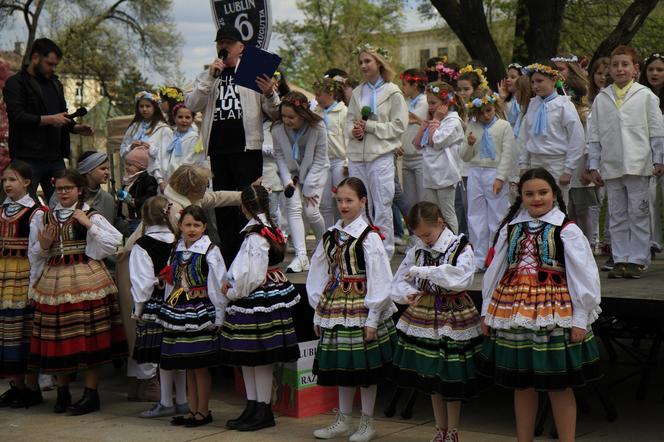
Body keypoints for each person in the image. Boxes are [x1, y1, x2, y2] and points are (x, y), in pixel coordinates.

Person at [479, 168, 602, 442]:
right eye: (529, 193)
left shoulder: (566, 230)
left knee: (559, 384)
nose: (537, 198)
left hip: (555, 313)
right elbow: (496, 270)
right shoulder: (511, 228)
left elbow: (584, 275)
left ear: (554, 194)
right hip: (515, 311)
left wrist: (581, 317)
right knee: (522, 385)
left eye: (543, 192)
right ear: (520, 196)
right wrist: (487, 311)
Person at [28, 169, 126, 415]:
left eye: (68, 188)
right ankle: (62, 392)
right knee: (59, 337)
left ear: (79, 190)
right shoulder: (45, 217)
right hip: (53, 280)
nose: (63, 193)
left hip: (86, 278)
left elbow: (114, 242)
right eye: (59, 188)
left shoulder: (89, 214)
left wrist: (88, 225)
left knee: (88, 336)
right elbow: (35, 254)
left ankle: (91, 393)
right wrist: (44, 246)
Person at [307, 177, 397, 442]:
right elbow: (318, 272)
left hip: (361, 307)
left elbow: (381, 278)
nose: (344, 205)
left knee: (365, 369)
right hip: (336, 306)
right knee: (344, 366)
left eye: (349, 200)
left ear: (362, 202)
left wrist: (373, 317)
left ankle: (367, 422)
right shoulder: (331, 235)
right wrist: (317, 310)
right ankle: (344, 420)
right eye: (340, 200)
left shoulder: (369, 238)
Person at [185, 25, 280, 265]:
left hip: (247, 150)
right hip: (218, 150)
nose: (223, 47)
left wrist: (270, 94)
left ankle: (256, 254)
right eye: (220, 43)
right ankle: (229, 256)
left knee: (250, 202)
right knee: (223, 206)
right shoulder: (208, 75)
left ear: (241, 47)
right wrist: (209, 77)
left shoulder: (253, 71)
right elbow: (193, 104)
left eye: (228, 43)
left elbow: (275, 112)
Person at [391, 201, 482, 442]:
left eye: (427, 234)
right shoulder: (418, 248)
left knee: (449, 373)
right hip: (424, 314)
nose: (425, 240)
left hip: (452, 314)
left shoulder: (460, 246)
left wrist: (424, 272)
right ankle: (439, 429)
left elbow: (459, 278)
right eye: (420, 235)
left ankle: (453, 430)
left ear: (440, 222)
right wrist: (405, 293)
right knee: (431, 374)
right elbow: (401, 277)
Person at [219, 185, 300, 432]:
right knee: (251, 357)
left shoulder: (255, 234)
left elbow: (252, 275)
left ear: (243, 206)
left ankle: (262, 408)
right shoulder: (269, 227)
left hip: (256, 298)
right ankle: (254, 406)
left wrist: (231, 291)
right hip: (263, 297)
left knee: (257, 358)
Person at [588, 45, 664, 279]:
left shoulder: (645, 96)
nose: (620, 69)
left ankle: (638, 259)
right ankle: (621, 257)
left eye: (625, 64)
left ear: (635, 69)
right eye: (615, 65)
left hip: (639, 164)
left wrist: (659, 158)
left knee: (638, 213)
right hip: (612, 166)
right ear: (609, 69)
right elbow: (594, 135)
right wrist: (593, 164)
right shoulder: (602, 98)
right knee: (617, 214)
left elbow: (656, 131)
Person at [157, 205, 226, 428]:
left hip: (201, 310)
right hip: (180, 309)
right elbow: (172, 281)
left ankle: (203, 411)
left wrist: (219, 316)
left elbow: (217, 284)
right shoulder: (176, 249)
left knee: (200, 364)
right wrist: (168, 305)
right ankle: (192, 409)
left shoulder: (210, 250)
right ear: (180, 226)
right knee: (188, 363)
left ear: (205, 227)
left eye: (197, 225)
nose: (192, 229)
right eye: (188, 225)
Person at [3, 38, 93, 201]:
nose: (52, 68)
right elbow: (17, 116)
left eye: (55, 65)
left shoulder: (55, 84)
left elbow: (62, 116)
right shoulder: (15, 83)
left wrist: (75, 128)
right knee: (22, 207)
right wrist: (50, 119)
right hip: (26, 158)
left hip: (55, 158)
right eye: (49, 64)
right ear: (35, 57)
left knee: (64, 207)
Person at [346, 43, 408, 258]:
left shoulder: (393, 92)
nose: (363, 65)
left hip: (381, 155)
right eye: (360, 62)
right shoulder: (357, 92)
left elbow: (399, 125)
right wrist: (354, 131)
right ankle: (361, 249)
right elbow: (349, 121)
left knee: (381, 204)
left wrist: (371, 127)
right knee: (358, 205)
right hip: (357, 156)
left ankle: (385, 251)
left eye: (367, 61)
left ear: (379, 63)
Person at [129, 196, 188, 419]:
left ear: (144, 217)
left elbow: (142, 283)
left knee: (162, 355)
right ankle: (181, 399)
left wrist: (138, 309)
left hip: (155, 304)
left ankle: (165, 401)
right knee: (177, 352)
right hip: (181, 301)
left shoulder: (142, 245)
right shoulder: (180, 241)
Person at [0, 161, 44, 409]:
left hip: (23, 275)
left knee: (25, 329)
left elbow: (38, 252)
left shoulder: (36, 213)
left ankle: (32, 387)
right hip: (3, 277)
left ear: (27, 182)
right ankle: (16, 386)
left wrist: (34, 283)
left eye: (13, 179)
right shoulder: (1, 210)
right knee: (7, 331)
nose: (7, 184)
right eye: (5, 180)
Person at [272, 92, 329, 272]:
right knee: (293, 209)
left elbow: (320, 159)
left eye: (291, 117)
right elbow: (280, 157)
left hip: (315, 174)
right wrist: (288, 181)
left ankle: (325, 247)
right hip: (292, 175)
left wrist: (309, 188)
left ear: (303, 114)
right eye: (283, 116)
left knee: (311, 212)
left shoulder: (318, 128)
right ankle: (301, 256)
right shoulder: (277, 130)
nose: (287, 121)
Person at [461, 91, 516, 271]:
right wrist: (469, 144)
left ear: (495, 108)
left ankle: (497, 256)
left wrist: (501, 177)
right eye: (481, 112)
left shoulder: (504, 126)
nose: (485, 116)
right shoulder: (473, 126)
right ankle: (479, 257)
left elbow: (508, 154)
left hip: (494, 172)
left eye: (489, 111)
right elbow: (464, 156)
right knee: (475, 216)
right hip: (476, 172)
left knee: (497, 215)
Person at [518, 62, 585, 205]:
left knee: (558, 203)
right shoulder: (533, 104)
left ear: (554, 80)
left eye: (540, 81)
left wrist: (568, 169)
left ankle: (559, 228)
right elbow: (525, 137)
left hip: (557, 162)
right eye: (533, 82)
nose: (535, 86)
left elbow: (577, 137)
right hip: (535, 161)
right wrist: (524, 165)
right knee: (536, 202)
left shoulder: (564, 105)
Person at [412, 81, 466, 234]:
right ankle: (437, 242)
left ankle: (454, 245)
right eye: (429, 102)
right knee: (432, 214)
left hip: (445, 175)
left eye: (434, 103)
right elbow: (417, 144)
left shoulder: (453, 122)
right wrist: (424, 126)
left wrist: (435, 119)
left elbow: (436, 141)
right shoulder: (433, 121)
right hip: (430, 173)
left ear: (446, 103)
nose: (430, 106)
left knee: (447, 214)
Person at [313, 76, 348, 228]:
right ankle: (328, 234)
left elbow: (348, 139)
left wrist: (348, 162)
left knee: (342, 199)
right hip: (322, 162)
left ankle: (344, 232)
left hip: (339, 161)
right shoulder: (316, 112)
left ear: (331, 93)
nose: (316, 98)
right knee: (325, 202)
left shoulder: (344, 112)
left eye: (319, 94)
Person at [119, 91, 172, 191]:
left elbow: (166, 157)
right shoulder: (133, 127)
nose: (144, 109)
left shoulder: (163, 129)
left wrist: (150, 149)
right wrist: (131, 147)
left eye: (148, 106)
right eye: (141, 106)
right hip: (133, 177)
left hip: (153, 179)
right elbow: (122, 151)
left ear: (155, 108)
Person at [639, 53, 664, 258]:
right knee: (649, 198)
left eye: (660, 70)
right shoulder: (639, 95)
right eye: (651, 69)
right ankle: (652, 241)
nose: (654, 73)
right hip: (647, 153)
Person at [399, 69, 429, 214]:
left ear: (415, 85)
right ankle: (414, 234)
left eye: (405, 84)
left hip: (421, 157)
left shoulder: (426, 101)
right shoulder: (405, 102)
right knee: (410, 200)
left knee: (423, 199)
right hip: (406, 157)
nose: (402, 88)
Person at [116, 147, 158, 237]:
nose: (127, 167)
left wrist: (134, 201)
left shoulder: (147, 180)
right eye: (126, 164)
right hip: (127, 220)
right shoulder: (129, 180)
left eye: (130, 165)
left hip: (139, 220)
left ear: (140, 166)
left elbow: (150, 197)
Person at [163, 104, 206, 184]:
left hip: (186, 178)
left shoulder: (195, 138)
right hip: (168, 178)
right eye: (180, 117)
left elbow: (193, 160)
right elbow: (164, 156)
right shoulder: (171, 136)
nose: (184, 120)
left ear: (192, 119)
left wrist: (176, 173)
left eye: (187, 117)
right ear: (174, 118)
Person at [498, 62, 523, 129]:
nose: (508, 80)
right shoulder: (504, 101)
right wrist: (502, 98)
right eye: (507, 77)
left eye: (513, 77)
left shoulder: (526, 101)